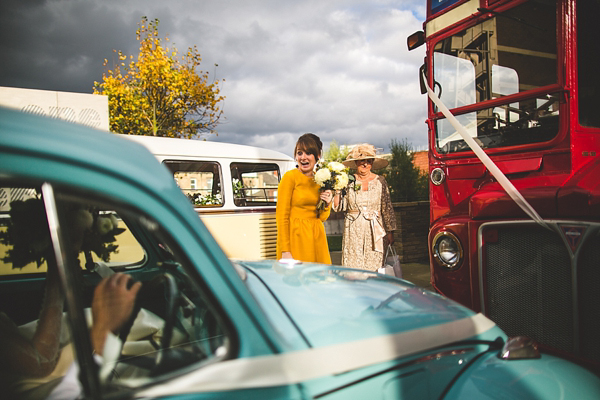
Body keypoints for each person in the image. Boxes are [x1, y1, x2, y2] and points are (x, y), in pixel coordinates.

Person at [333, 143, 397, 271]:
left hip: (375, 231)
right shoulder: (347, 181)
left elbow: (387, 207)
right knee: (353, 268)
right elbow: (339, 207)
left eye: (369, 161)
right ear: (356, 162)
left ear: (372, 163)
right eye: (362, 161)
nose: (365, 164)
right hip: (353, 230)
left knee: (375, 267)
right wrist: (337, 188)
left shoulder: (380, 181)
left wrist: (390, 231)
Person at [276, 133, 334, 263]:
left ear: (318, 156)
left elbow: (322, 218)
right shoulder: (290, 177)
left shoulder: (322, 180)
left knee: (319, 279)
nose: (303, 157)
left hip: (316, 236)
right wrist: (285, 250)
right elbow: (281, 216)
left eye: (308, 153)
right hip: (295, 238)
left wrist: (328, 203)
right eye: (300, 153)